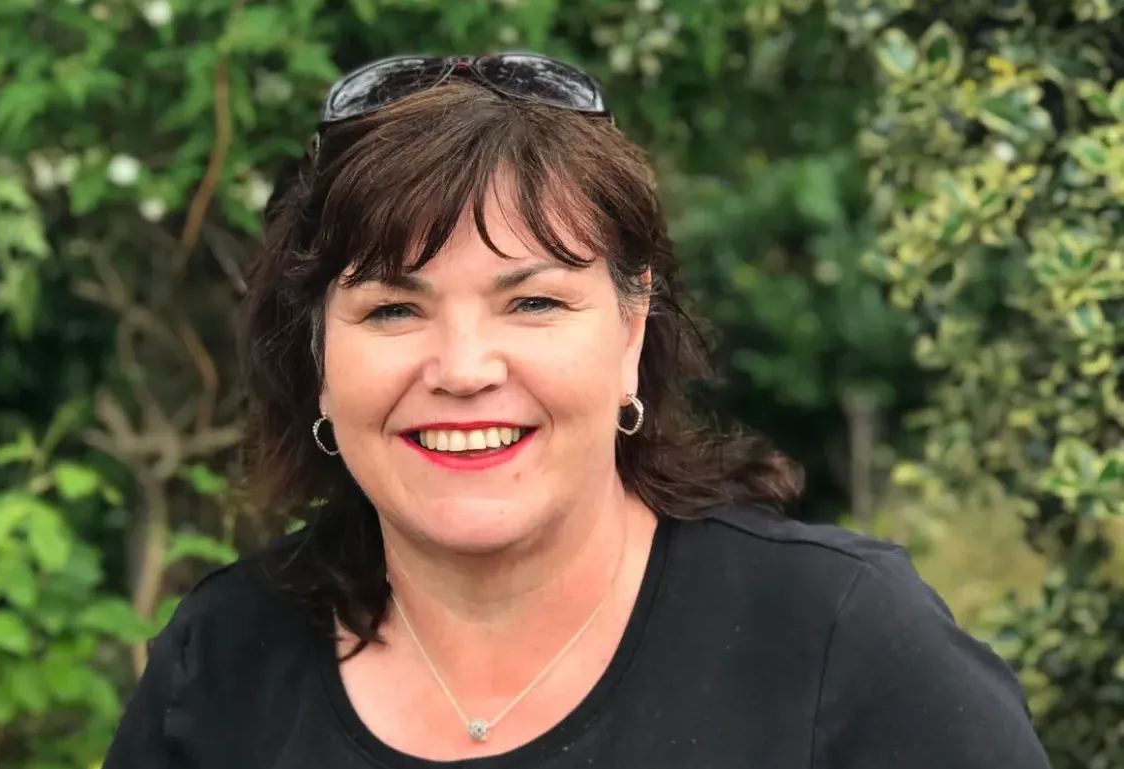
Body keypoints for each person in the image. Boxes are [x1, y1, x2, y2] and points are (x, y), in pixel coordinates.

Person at [101, 53, 1052, 769]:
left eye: (534, 302)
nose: (465, 368)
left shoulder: (845, 649)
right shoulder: (219, 667)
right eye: (393, 309)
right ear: (317, 355)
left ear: (632, 329)